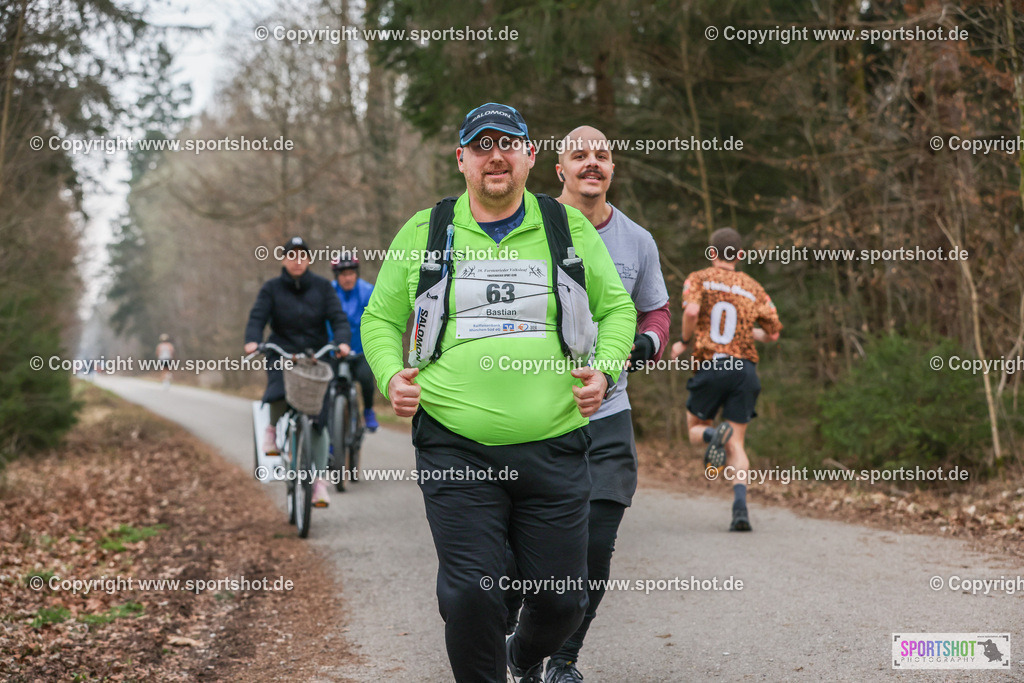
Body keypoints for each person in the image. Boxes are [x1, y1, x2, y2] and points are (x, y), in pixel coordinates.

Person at [361, 103, 636, 683]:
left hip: (556, 443)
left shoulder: (566, 227)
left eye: (507, 143)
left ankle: (519, 657)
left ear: (530, 157)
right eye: (480, 144)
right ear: (461, 158)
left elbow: (617, 311)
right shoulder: (426, 230)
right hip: (455, 444)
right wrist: (391, 375)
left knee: (563, 600)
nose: (495, 155)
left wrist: (605, 370)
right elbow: (380, 319)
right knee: (469, 596)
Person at [516, 125, 670, 683]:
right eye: (579, 154)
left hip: (607, 411)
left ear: (612, 169)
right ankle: (523, 645)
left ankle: (563, 660)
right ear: (559, 168)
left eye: (601, 155)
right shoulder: (528, 224)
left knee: (596, 547)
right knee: (530, 546)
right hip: (535, 413)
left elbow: (655, 310)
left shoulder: (638, 240)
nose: (592, 163)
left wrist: (647, 344)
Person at [669, 228, 781, 531]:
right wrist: (749, 333)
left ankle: (711, 435)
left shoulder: (699, 278)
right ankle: (740, 507)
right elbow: (772, 332)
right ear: (740, 256)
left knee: (695, 428)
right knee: (737, 442)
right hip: (745, 372)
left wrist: (683, 340)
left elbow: (692, 310)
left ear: (712, 253)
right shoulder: (754, 287)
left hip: (712, 367)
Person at [244, 236, 351, 507]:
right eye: (292, 255)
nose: (297, 260)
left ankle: (318, 484)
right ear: (283, 259)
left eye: (302, 255)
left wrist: (341, 341)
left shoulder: (324, 287)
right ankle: (271, 430)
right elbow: (258, 317)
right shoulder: (271, 289)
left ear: (309, 259)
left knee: (318, 417)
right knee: (279, 385)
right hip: (282, 349)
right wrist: (253, 340)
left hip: (315, 354)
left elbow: (338, 318)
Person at [330, 257, 379, 431]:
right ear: (337, 276)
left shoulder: (367, 291)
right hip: (334, 352)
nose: (348, 278)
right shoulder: (329, 292)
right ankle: (331, 432)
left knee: (366, 378)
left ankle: (368, 410)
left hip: (360, 351)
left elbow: (375, 320)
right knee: (328, 389)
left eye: (351, 273)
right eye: (343, 274)